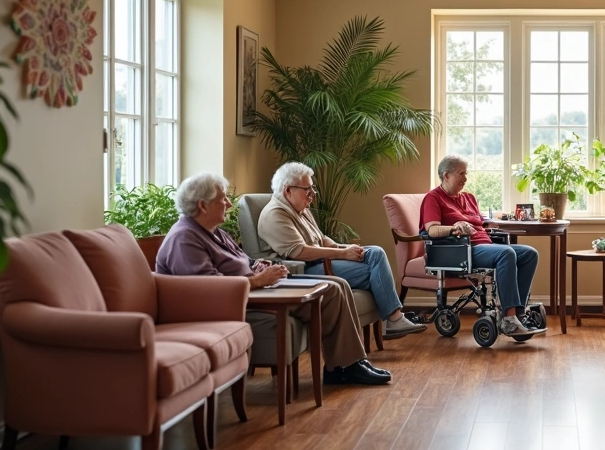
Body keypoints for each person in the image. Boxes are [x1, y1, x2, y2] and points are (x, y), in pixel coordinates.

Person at [156, 172, 391, 386]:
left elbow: (242, 261)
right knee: (330, 290)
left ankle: (346, 365)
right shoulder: (184, 238)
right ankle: (344, 367)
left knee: (335, 286)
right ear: (202, 205)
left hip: (252, 290)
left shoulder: (214, 231)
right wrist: (257, 281)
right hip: (238, 303)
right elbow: (208, 289)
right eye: (223, 199)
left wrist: (257, 266)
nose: (229, 203)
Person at [256, 162, 426, 340]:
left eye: (312, 188)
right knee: (374, 272)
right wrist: (343, 254)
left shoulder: (300, 208)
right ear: (288, 190)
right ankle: (394, 319)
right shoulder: (276, 214)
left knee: (375, 252)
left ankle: (394, 319)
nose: (312, 195)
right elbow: (298, 252)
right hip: (304, 270)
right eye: (307, 189)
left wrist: (344, 247)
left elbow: (321, 238)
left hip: (323, 260)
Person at [420, 155, 546, 340]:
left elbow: (479, 221)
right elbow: (431, 230)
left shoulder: (469, 197)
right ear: (446, 175)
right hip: (463, 250)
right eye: (461, 173)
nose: (465, 178)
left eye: (466, 173)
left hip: (485, 246)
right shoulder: (433, 198)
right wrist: (454, 227)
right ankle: (508, 319)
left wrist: (495, 219)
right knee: (506, 253)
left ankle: (519, 312)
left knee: (529, 253)